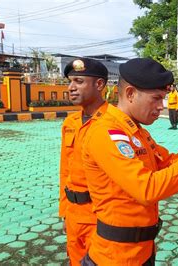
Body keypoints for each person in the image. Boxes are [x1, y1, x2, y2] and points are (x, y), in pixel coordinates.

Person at [80, 58, 178, 265]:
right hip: (115, 257)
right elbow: (146, 188)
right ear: (130, 94)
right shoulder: (105, 133)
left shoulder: (136, 132)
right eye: (156, 98)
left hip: (141, 250)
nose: (162, 106)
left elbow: (168, 163)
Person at [59, 58, 109, 266]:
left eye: (78, 81)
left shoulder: (113, 122)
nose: (71, 88)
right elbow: (64, 170)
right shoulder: (70, 123)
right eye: (70, 82)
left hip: (101, 217)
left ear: (99, 85)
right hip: (73, 214)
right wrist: (64, 211)